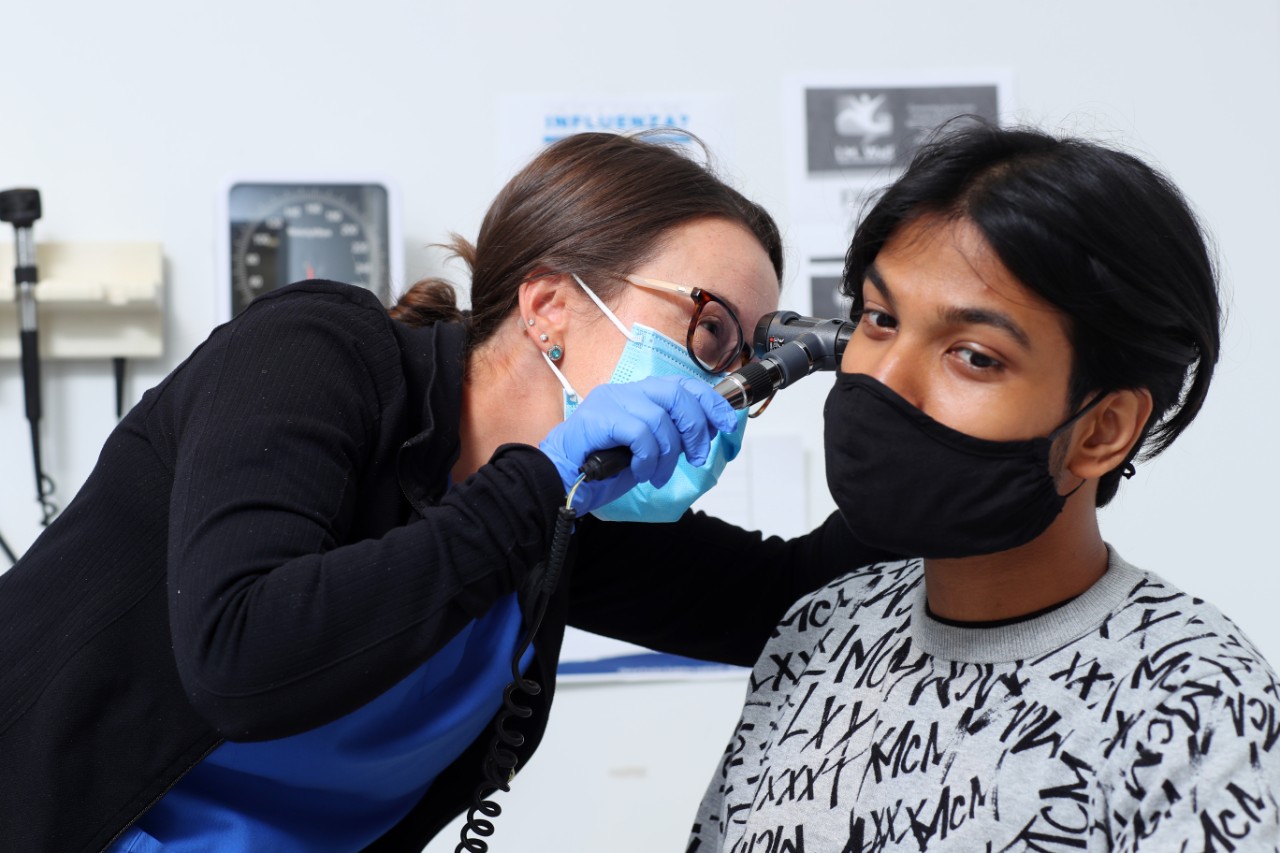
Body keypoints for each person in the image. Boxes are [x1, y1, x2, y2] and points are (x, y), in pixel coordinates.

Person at [0, 131, 896, 853]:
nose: (722, 385)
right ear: (549, 304)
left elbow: (787, 606)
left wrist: (898, 417)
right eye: (705, 333)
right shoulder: (321, 354)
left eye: (746, 361)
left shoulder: (562, 515)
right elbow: (242, 656)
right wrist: (540, 481)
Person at [689, 121, 1280, 852]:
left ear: (1102, 430)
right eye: (879, 318)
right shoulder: (817, 631)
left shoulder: (1196, 698)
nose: (885, 377)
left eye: (972, 355)